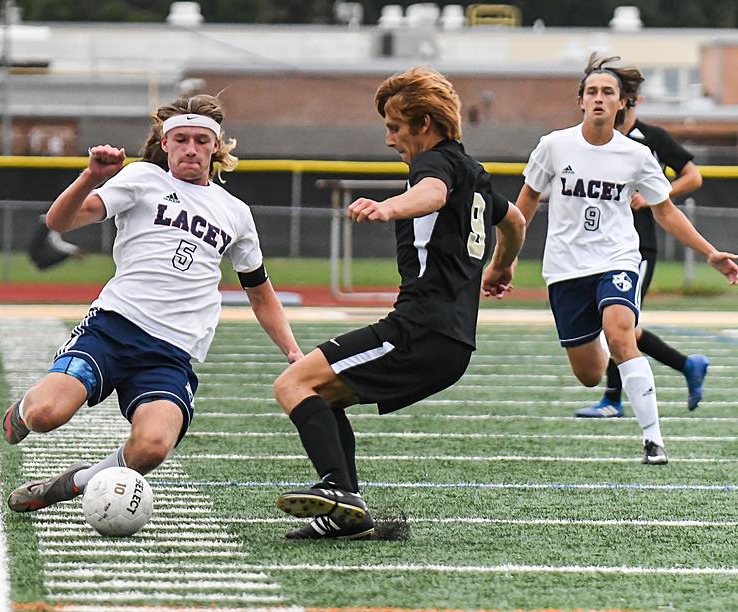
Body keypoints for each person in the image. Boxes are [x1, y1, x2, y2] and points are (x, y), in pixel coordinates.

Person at [2, 94, 303, 513]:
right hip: (111, 330)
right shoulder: (142, 177)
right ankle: (22, 411)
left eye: (201, 140)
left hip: (171, 353)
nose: (191, 149)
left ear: (216, 147)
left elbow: (260, 291)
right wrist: (90, 176)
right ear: (165, 142)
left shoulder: (235, 212)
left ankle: (75, 483)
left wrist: (291, 349)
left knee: (153, 446)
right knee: (46, 416)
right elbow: (60, 221)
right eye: (181, 139)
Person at [272, 67, 527, 540]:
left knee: (292, 384)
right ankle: (344, 513)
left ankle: (339, 491)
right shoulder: (474, 173)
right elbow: (514, 222)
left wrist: (389, 206)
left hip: (420, 331)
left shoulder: (435, 166)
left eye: (394, 126)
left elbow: (431, 193)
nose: (389, 139)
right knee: (322, 392)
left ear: (424, 123)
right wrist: (502, 266)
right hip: (449, 342)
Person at [515, 54, 738, 464]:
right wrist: (506, 259)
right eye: (592, 92)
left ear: (622, 103)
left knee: (622, 333)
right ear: (580, 100)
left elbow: (666, 209)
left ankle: (654, 440)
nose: (599, 99)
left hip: (617, 258)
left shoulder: (638, 154)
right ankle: (601, 341)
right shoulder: (553, 145)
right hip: (565, 267)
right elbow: (526, 200)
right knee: (588, 375)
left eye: (608, 93)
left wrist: (710, 253)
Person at [576, 59, 709, 418]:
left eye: (617, 96)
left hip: (637, 246)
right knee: (621, 327)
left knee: (619, 326)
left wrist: (657, 194)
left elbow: (692, 176)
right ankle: (687, 365)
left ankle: (613, 399)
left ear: (628, 102)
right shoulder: (596, 139)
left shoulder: (650, 139)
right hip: (599, 245)